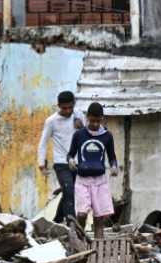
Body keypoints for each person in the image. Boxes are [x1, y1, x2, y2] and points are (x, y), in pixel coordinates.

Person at [67, 102, 119, 240]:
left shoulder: (107, 136)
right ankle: (79, 241)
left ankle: (99, 246)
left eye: (98, 121)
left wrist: (114, 166)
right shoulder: (79, 135)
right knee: (82, 213)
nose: (95, 124)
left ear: (102, 119)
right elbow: (70, 154)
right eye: (92, 120)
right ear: (87, 118)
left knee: (100, 216)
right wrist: (71, 161)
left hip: (100, 180)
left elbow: (112, 156)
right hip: (82, 179)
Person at [37, 90, 85, 225]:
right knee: (69, 189)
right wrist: (41, 163)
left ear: (74, 104)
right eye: (64, 108)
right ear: (58, 106)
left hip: (77, 161)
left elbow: (87, 135)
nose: (68, 110)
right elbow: (43, 142)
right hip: (61, 163)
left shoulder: (78, 116)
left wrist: (82, 128)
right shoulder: (51, 121)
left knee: (69, 193)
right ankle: (72, 225)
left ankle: (58, 219)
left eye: (70, 107)